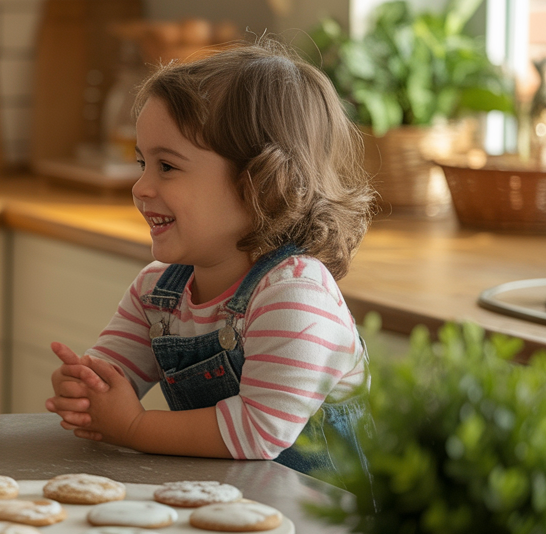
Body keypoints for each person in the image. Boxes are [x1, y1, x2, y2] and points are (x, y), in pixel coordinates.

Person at [45, 41, 376, 473]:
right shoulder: (157, 292)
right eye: (142, 162)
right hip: (230, 508)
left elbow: (260, 430)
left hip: (322, 527)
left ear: (261, 184)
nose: (140, 187)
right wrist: (86, 388)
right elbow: (113, 378)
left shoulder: (295, 294)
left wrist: (133, 426)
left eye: (167, 166)